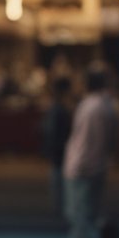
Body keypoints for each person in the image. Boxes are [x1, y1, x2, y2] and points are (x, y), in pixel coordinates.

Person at [44, 66, 119, 238]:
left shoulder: (88, 106)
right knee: (84, 223)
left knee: (82, 223)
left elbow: (82, 143)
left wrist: (74, 169)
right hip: (97, 169)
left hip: (81, 171)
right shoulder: (109, 106)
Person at [39, 76, 73, 217]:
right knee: (60, 181)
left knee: (59, 180)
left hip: (58, 150)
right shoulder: (59, 108)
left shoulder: (56, 107)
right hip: (60, 150)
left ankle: (60, 209)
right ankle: (61, 211)